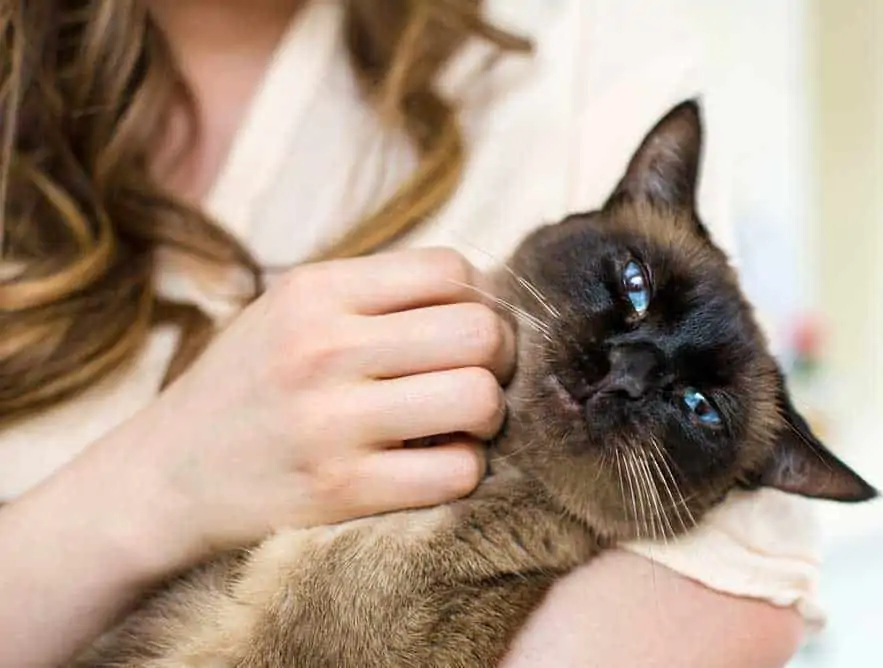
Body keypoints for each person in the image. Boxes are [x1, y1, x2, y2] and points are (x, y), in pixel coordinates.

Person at [0, 1, 820, 666]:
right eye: (633, 291)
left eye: (698, 406)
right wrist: (154, 483)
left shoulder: (573, 50)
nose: (635, 368)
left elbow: (743, 569)